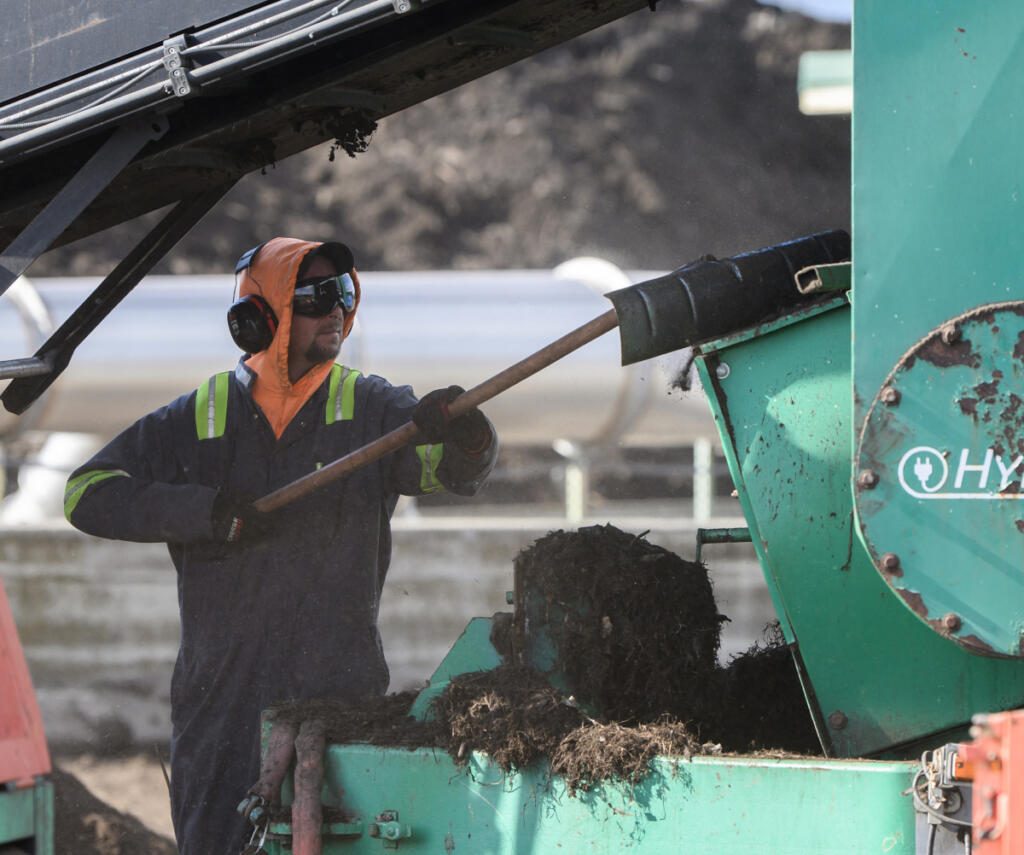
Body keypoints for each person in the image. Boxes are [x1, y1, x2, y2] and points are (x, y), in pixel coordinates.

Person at [62, 237, 498, 854]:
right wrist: (206, 513)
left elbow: (452, 471)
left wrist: (471, 435)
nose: (336, 312)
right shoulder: (198, 420)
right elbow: (86, 493)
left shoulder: (372, 408)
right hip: (222, 704)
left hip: (340, 696)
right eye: (316, 296)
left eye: (344, 295)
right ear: (260, 316)